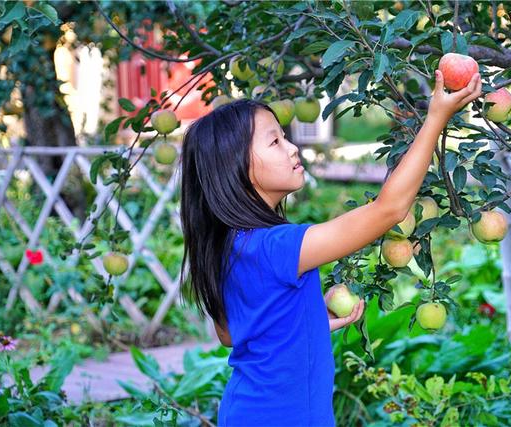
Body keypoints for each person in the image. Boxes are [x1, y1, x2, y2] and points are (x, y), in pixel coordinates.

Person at [179, 69, 482, 427]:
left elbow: (231, 334)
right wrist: (435, 118)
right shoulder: (277, 246)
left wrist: (302, 318)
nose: (293, 147)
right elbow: (389, 210)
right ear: (235, 168)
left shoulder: (230, 244)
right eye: (274, 142)